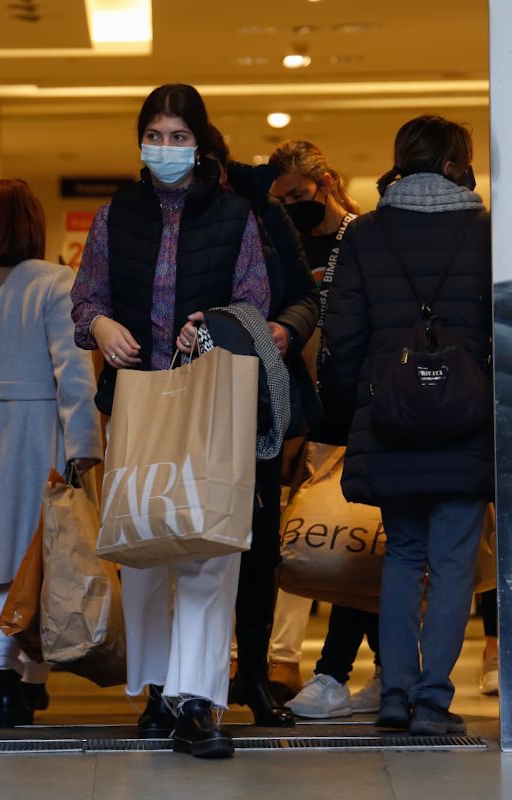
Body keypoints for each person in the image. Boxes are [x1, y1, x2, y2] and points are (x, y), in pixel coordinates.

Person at [71, 83, 270, 758]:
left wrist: (210, 326)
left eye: (178, 136)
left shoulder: (235, 215)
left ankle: (198, 701)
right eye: (153, 135)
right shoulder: (115, 215)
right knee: (147, 547)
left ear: (201, 143)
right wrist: (98, 325)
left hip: (211, 402)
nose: (165, 148)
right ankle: (157, 688)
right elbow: (87, 293)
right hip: (134, 403)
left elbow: (254, 304)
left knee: (210, 551)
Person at [324, 115, 493, 736]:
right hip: (466, 419)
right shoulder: (487, 231)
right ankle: (432, 701)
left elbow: (341, 335)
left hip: (391, 417)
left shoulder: (365, 234)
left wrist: (357, 404)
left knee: (403, 555)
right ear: (457, 162)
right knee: (452, 562)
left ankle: (392, 692)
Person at [0, 178, 102, 728]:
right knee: (43, 561)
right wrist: (85, 446)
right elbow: (74, 374)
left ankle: (0, 675)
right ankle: (33, 676)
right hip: (35, 434)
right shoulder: (55, 282)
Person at [267, 140, 382, 719]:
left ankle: (334, 673)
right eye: (281, 198)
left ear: (327, 182)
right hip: (305, 414)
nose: (292, 205)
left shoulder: (363, 235)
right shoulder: (283, 244)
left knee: (352, 545)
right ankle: (384, 672)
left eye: (299, 194)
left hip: (357, 410)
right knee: (345, 544)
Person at [222, 142, 318, 729]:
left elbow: (304, 294)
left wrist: (286, 326)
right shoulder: (149, 213)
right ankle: (186, 681)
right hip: (182, 399)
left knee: (258, 545)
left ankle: (254, 672)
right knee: (190, 541)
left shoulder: (264, 212)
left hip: (259, 397)